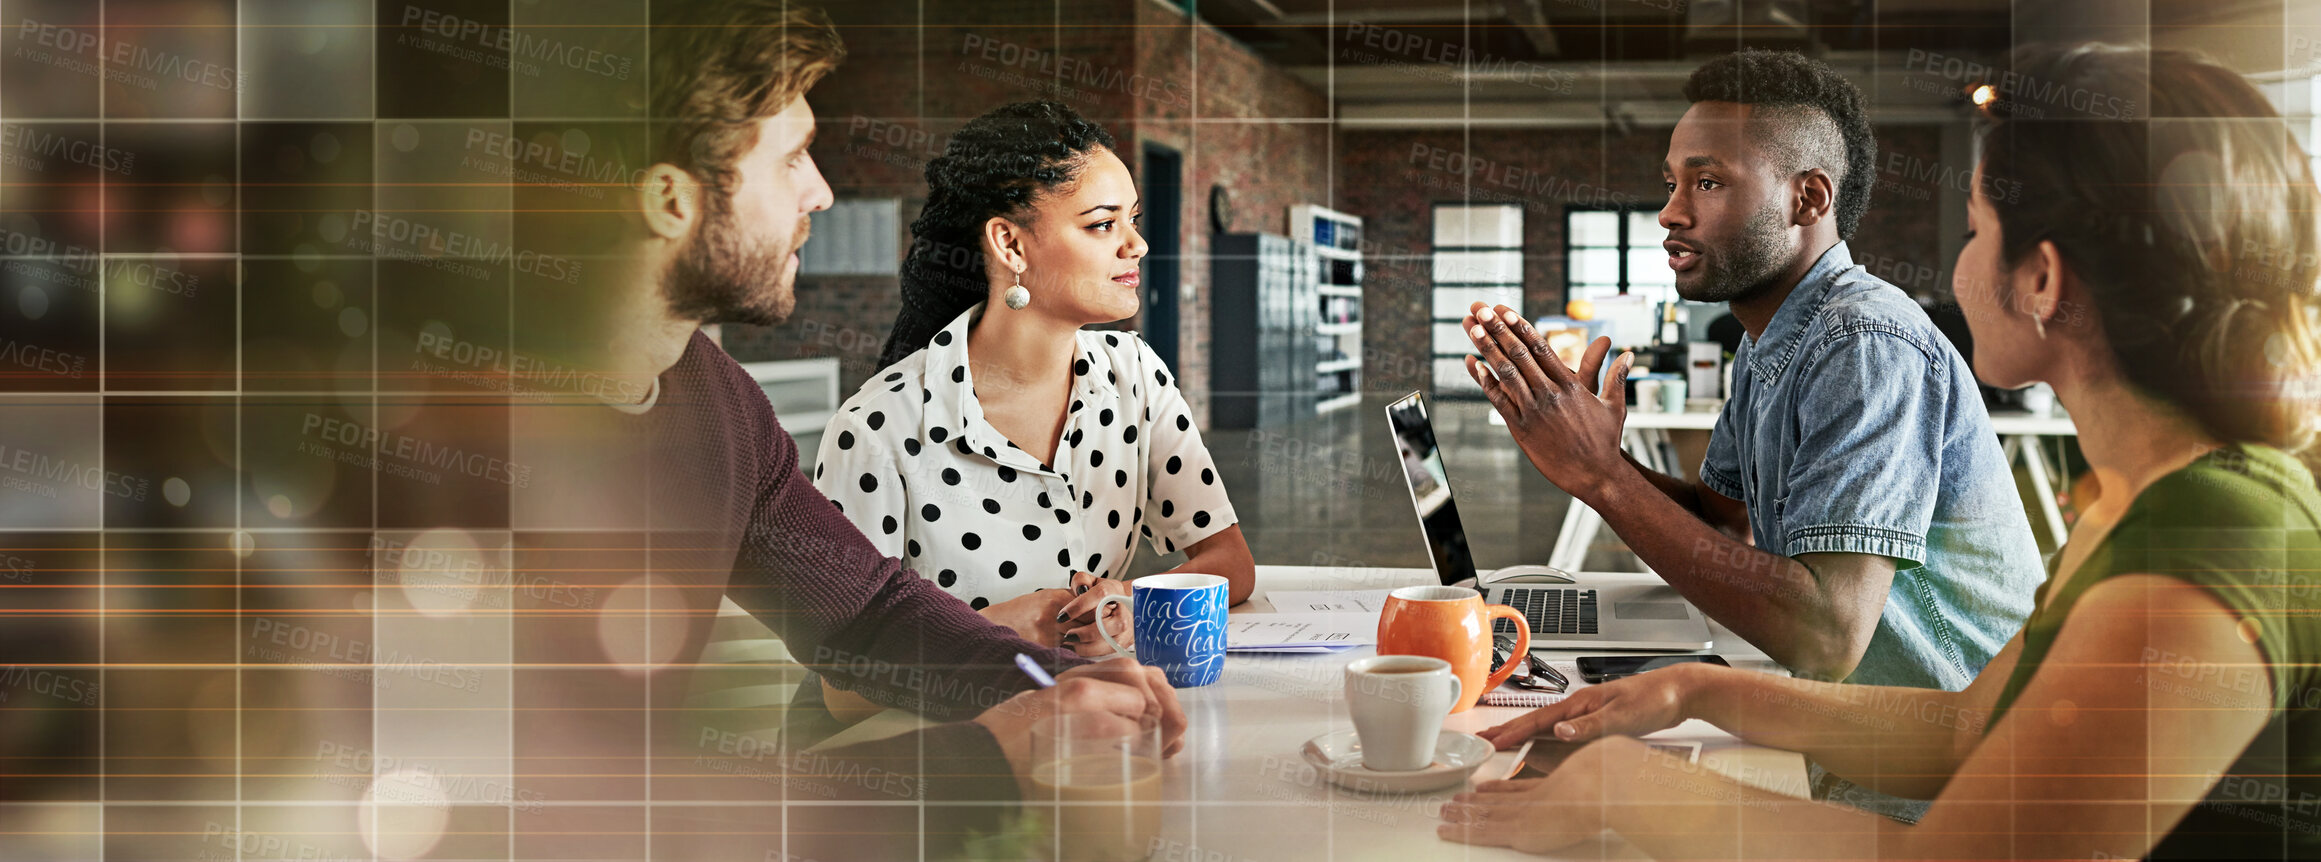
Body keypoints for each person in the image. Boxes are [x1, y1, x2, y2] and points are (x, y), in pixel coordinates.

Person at [1438, 44, 2321, 860]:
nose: (1959, 268)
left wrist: (1626, 786)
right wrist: (1694, 691)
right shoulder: (2143, 503)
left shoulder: (2212, 535)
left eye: (1972, 232)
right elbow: (1965, 730)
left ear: (2043, 280)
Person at [501, 4, 1186, 858]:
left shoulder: (715, 397)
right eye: (790, 158)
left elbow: (865, 612)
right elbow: (573, 803)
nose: (820, 190)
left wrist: (1058, 683)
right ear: (671, 200)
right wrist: (987, 758)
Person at [1464, 51, 2042, 693]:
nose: (1671, 213)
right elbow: (1724, 522)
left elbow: (1827, 636)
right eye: (1671, 184)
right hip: (1849, 727)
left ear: (1808, 199)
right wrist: (1594, 454)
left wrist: (1601, 479)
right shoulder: (1773, 341)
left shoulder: (1862, 343)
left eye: (1707, 183)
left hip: (1936, 765)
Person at [812, 101, 1254, 666]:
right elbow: (842, 683)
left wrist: (1134, 601)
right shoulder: (876, 429)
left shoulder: (1135, 374)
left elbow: (1230, 563)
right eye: (1102, 224)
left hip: (1094, 718)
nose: (1136, 245)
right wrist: (988, 633)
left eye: (1133, 220)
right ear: (1011, 244)